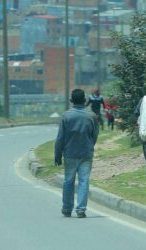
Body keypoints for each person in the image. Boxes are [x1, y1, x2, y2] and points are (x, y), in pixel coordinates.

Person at [54, 89, 99, 218]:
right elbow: (94, 135)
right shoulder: (91, 116)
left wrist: (57, 154)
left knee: (68, 181)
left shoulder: (66, 116)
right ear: (85, 100)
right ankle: (81, 209)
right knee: (84, 181)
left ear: (71, 101)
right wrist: (90, 146)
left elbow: (60, 138)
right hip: (86, 153)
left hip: (69, 154)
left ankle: (67, 208)